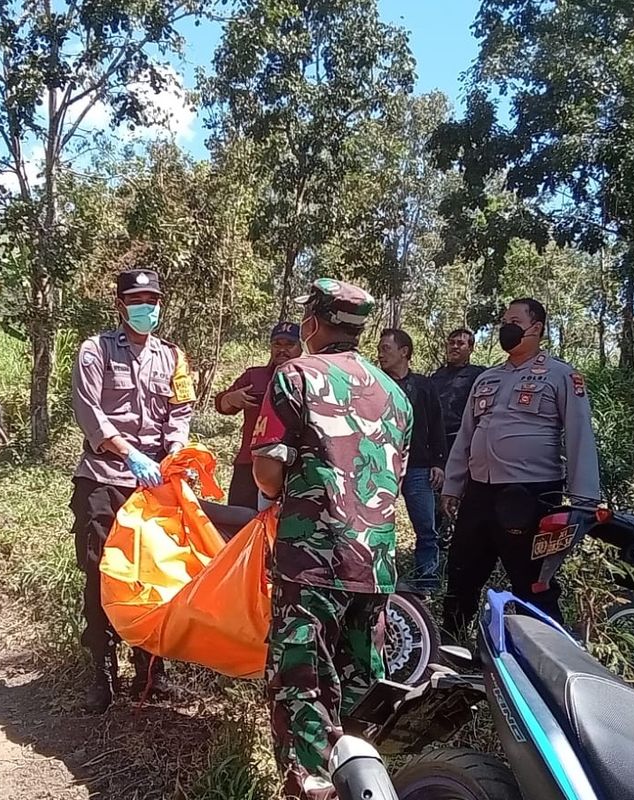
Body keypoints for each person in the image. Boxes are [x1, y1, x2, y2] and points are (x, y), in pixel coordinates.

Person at [250, 278, 412, 800]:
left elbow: (266, 474)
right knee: (361, 688)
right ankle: (363, 783)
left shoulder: (293, 377)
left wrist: (297, 470)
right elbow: (396, 479)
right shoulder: (396, 396)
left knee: (302, 689)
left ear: (313, 323)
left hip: (312, 566)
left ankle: (309, 788)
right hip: (376, 566)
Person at [70, 267, 195, 713]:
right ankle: (103, 674)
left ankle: (150, 672)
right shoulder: (94, 351)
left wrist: (175, 450)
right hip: (105, 479)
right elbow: (90, 413)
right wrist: (129, 455)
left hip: (155, 486)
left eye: (154, 299)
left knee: (156, 577)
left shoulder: (172, 357)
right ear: (121, 305)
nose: (148, 307)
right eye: (138, 300)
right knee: (102, 575)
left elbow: (180, 410)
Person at [440, 298, 600, 632]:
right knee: (461, 573)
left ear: (537, 328)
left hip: (532, 494)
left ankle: (542, 659)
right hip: (479, 494)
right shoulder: (487, 378)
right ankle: (452, 645)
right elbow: (466, 435)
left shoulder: (561, 375)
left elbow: (579, 434)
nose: (505, 327)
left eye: (514, 320)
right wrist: (453, 486)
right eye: (503, 321)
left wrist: (584, 500)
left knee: (532, 583)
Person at [377, 328, 446, 591]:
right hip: (382, 466)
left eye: (386, 348)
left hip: (418, 466)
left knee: (426, 529)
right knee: (379, 525)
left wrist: (438, 462)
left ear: (404, 352)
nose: (381, 354)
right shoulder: (376, 383)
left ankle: (426, 585)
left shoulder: (424, 385)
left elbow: (437, 424)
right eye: (380, 349)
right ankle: (383, 582)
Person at [213, 322, 302, 508]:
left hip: (292, 466)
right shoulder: (254, 376)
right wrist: (231, 399)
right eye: (277, 344)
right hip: (249, 464)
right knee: (240, 523)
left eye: (289, 344)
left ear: (301, 348)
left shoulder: (308, 378)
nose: (282, 350)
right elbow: (221, 404)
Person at [430, 328, 484, 455]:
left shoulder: (479, 375)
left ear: (470, 349)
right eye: (451, 343)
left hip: (463, 441)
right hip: (436, 442)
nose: (455, 346)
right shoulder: (436, 376)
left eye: (460, 343)